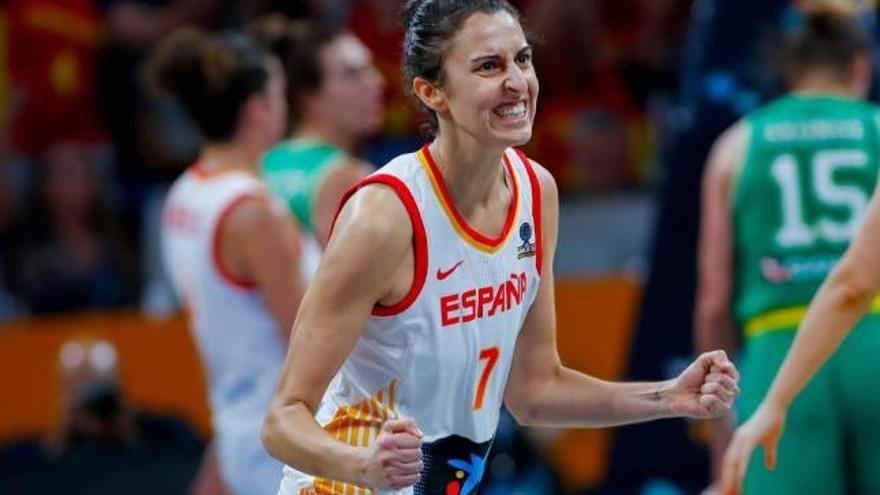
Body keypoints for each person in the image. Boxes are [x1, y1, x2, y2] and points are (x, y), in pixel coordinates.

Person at [262, 1, 739, 494]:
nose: (517, 82)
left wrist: (670, 398)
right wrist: (363, 466)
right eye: (489, 66)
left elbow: (535, 391)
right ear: (432, 92)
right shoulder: (384, 216)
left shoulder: (537, 192)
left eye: (523, 60)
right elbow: (282, 419)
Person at [694, 4, 879, 494]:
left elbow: (714, 301)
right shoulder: (877, 126)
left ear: (789, 71)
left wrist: (718, 423)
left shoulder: (737, 144)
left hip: (781, 349)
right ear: (861, 66)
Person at [148, 28, 305, 495]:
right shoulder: (255, 213)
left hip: (238, 432)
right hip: (288, 453)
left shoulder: (184, 195)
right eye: (280, 93)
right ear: (257, 109)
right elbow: (310, 348)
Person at [250, 15, 382, 278]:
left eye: (371, 69)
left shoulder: (264, 161)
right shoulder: (347, 177)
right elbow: (353, 291)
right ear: (307, 96)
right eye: (353, 74)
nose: (376, 82)